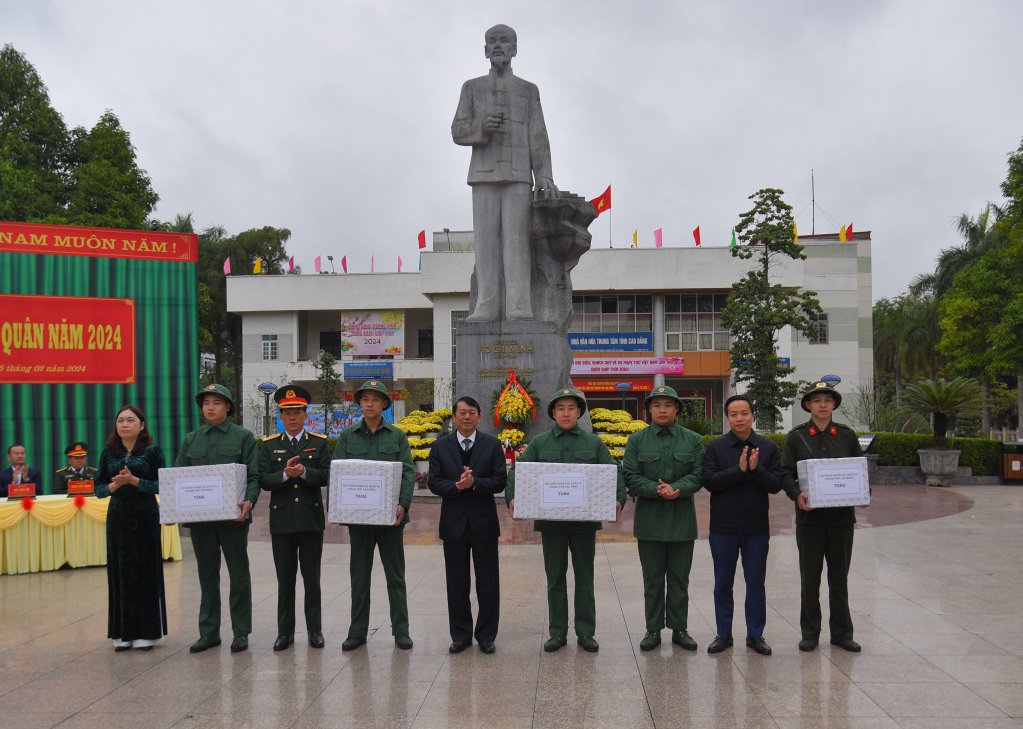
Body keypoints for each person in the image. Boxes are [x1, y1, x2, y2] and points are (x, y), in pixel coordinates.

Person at [452, 23, 559, 321]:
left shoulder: (528, 91)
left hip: (518, 176)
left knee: (517, 241)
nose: (498, 46)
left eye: (504, 41)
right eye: (492, 42)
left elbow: (538, 136)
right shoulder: (472, 88)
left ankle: (519, 305)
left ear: (514, 49)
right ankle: (486, 304)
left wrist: (545, 175)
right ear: (485, 50)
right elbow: (456, 130)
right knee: (486, 241)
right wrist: (479, 128)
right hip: (483, 174)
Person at [507, 387, 626, 653]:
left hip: (584, 525)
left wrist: (617, 500)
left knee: (585, 578)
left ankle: (586, 633)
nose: (566, 412)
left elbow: (613, 472)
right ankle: (557, 633)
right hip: (552, 526)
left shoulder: (593, 443)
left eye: (571, 408)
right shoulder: (540, 443)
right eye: (560, 408)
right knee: (555, 579)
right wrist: (512, 497)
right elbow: (519, 471)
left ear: (579, 412)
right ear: (553, 413)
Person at [175, 384, 261, 654]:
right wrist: (173, 509)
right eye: (206, 403)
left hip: (233, 520)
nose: (210, 407)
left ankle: (240, 632)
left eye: (216, 402)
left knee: (239, 576)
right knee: (206, 577)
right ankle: (209, 632)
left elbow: (253, 476)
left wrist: (249, 501)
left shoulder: (243, 437)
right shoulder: (192, 439)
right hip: (202, 522)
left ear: (228, 408)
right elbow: (178, 478)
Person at [782, 380, 866, 653]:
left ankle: (842, 633)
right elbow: (786, 474)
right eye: (816, 400)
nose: (822, 404)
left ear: (833, 405)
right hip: (810, 520)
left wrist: (864, 494)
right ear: (807, 405)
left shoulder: (846, 436)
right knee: (810, 578)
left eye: (827, 400)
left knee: (839, 578)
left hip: (842, 520)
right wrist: (797, 495)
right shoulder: (796, 437)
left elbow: (858, 471)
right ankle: (810, 633)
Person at [332, 380, 415, 651]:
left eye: (375, 399)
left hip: (391, 519)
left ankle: (401, 631)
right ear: (360, 404)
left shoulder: (397, 436)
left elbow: (408, 472)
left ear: (384, 404)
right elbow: (339, 473)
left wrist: (403, 504)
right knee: (359, 576)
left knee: (396, 576)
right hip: (360, 520)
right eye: (365, 399)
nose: (369, 403)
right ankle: (356, 632)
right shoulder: (347, 436)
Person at [623, 385, 706, 652]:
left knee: (680, 580)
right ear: (648, 409)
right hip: (649, 523)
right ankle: (653, 629)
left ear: (677, 409)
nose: (662, 409)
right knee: (653, 580)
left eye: (668, 405)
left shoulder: (692, 440)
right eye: (657, 405)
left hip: (682, 522)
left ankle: (680, 629)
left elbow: (699, 472)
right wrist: (657, 490)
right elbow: (631, 476)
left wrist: (678, 488)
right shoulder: (637, 440)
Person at [702, 394, 784, 656]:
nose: (739, 418)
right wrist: (738, 470)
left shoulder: (767, 447)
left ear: (752, 415)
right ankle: (723, 634)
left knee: (756, 582)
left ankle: (755, 634)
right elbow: (710, 482)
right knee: (722, 583)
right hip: (723, 529)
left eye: (744, 413)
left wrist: (755, 469)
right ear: (727, 418)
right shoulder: (715, 447)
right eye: (734, 414)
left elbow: (775, 485)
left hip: (756, 528)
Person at [428, 395, 507, 654]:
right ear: (453, 416)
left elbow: (499, 481)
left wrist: (475, 484)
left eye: (472, 412)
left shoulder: (492, 444)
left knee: (487, 582)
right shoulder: (440, 446)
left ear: (479, 416)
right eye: (461, 412)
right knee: (457, 582)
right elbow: (433, 482)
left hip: (483, 523)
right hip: (454, 525)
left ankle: (486, 635)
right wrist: (455, 486)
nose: (466, 416)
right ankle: (460, 635)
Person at [258, 385, 331, 651]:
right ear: (280, 415)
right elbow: (264, 479)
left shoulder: (318, 443)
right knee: (285, 579)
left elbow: (326, 475)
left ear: (305, 414)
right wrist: (286, 475)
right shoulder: (269, 446)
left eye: (296, 412)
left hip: (310, 519)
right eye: (286, 412)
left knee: (312, 578)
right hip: (283, 521)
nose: (291, 417)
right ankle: (285, 632)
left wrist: (304, 472)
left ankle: (315, 630)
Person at [94, 406, 168, 651]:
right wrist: (116, 485)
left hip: (145, 517)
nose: (124, 424)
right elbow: (99, 488)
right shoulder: (109, 453)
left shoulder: (152, 451)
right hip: (119, 518)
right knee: (121, 572)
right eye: (120, 421)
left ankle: (147, 635)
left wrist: (134, 481)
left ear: (142, 425)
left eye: (130, 420)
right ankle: (122, 635)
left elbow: (163, 485)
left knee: (145, 572)